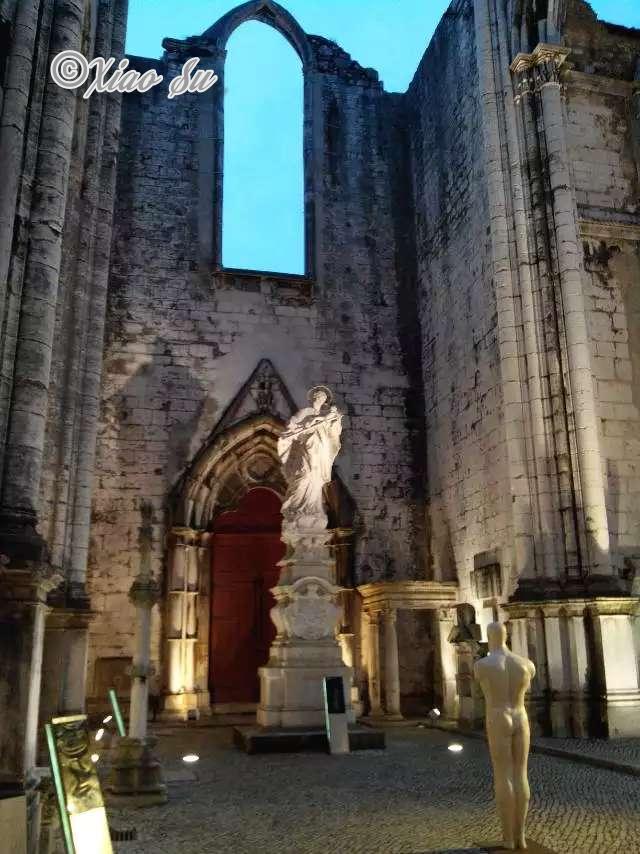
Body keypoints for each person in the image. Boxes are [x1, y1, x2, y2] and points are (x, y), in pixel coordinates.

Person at [474, 622, 536, 851]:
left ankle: (508, 838)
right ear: (506, 635)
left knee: (503, 775)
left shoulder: (482, 666)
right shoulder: (526, 664)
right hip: (521, 716)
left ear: (489, 636)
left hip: (498, 717)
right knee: (521, 774)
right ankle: (521, 837)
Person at [277, 386, 343, 530]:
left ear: (325, 400)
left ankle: (313, 509)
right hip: (306, 449)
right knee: (304, 475)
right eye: (318, 395)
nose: (319, 398)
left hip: (320, 450)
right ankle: (296, 508)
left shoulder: (326, 415)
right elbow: (291, 425)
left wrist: (335, 421)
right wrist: (301, 426)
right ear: (313, 397)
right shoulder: (305, 412)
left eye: (322, 397)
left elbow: (333, 433)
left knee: (315, 479)